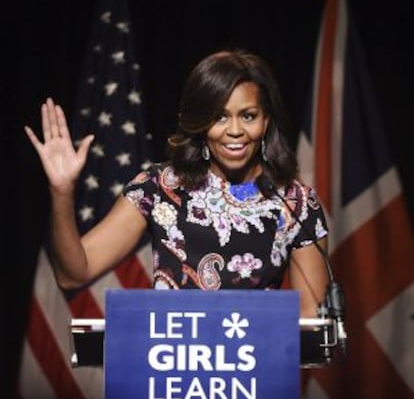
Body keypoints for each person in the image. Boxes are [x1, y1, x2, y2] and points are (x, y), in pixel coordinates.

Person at [25, 49, 329, 318]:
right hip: (170, 373)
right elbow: (74, 274)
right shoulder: (159, 188)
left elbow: (310, 319)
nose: (235, 130)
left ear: (265, 122)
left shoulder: (296, 203)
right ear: (199, 122)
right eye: (219, 117)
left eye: (248, 116)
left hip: (253, 375)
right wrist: (62, 192)